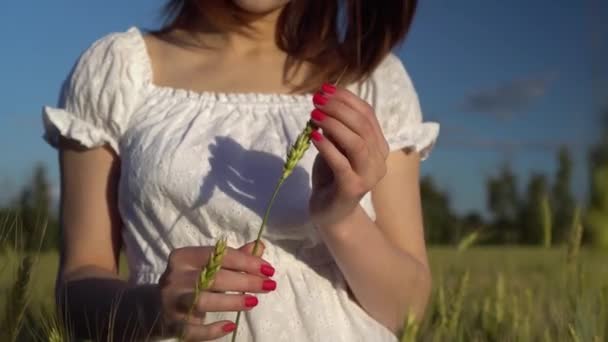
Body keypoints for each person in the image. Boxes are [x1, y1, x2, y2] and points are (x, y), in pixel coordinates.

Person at [42, 0, 439, 341]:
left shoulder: (373, 80)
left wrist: (342, 218)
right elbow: (79, 278)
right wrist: (148, 308)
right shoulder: (117, 70)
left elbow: (408, 310)